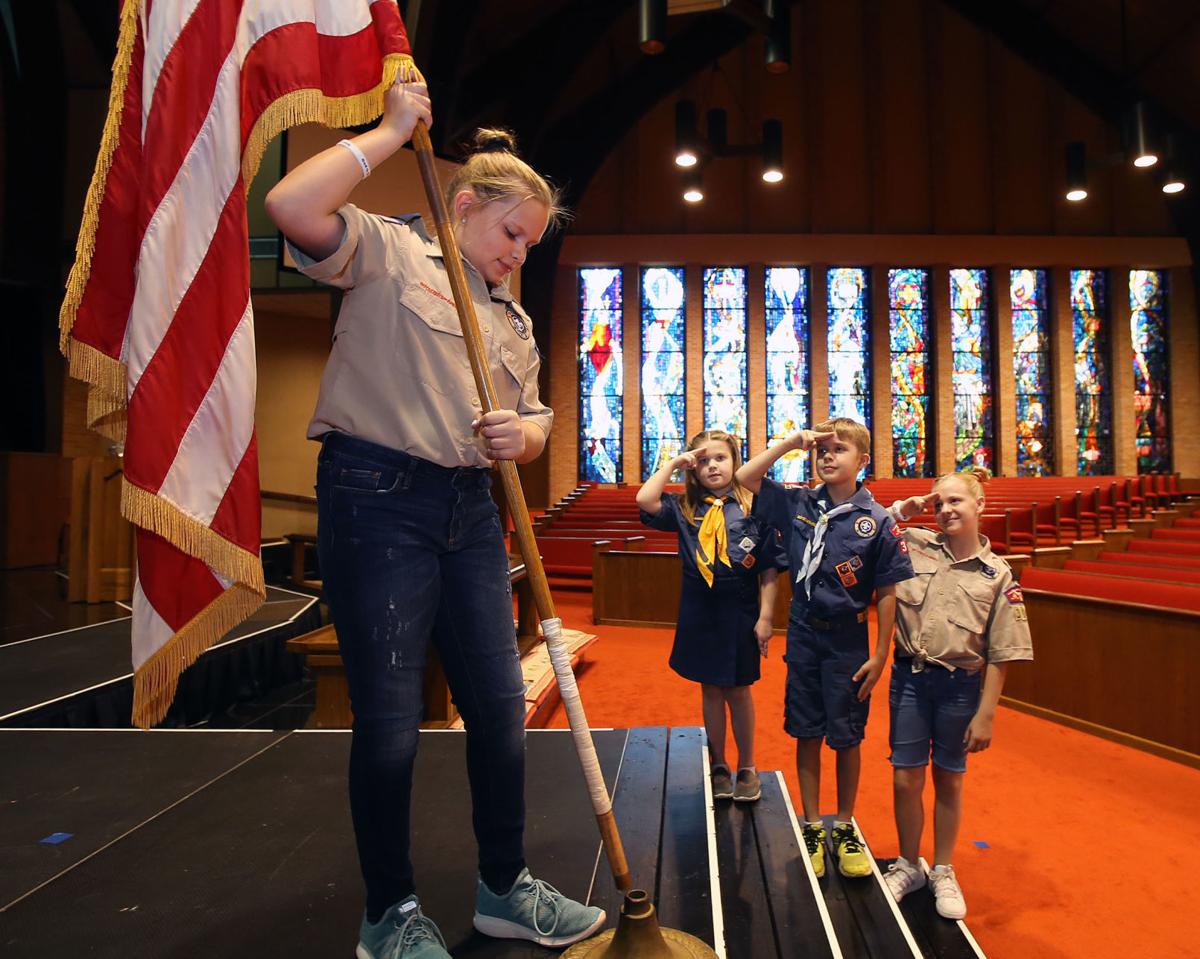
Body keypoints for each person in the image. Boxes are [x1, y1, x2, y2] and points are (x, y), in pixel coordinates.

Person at [264, 80, 603, 959]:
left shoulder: (513, 319)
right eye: (510, 233)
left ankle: (503, 887)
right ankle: (388, 913)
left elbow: (537, 421)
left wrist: (521, 434)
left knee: (497, 704)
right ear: (463, 206)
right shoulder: (385, 251)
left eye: (530, 242)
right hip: (376, 497)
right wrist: (387, 132)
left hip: (466, 508)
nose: (517, 254)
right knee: (386, 717)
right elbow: (289, 203)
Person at [736, 419, 913, 879]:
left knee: (847, 734)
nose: (827, 457)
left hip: (848, 639)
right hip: (803, 631)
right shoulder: (799, 503)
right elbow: (745, 478)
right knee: (806, 728)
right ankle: (813, 823)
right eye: (822, 451)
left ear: (863, 461)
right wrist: (791, 443)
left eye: (839, 450)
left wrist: (881, 655)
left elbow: (888, 591)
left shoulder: (877, 521)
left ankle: (845, 824)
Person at [881, 469, 1033, 920]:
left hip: (959, 686)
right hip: (909, 678)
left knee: (949, 777)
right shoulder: (914, 543)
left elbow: (1002, 653)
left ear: (979, 505)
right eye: (939, 502)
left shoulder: (997, 575)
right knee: (904, 776)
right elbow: (862, 530)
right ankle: (909, 864)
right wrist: (902, 510)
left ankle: (943, 868)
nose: (946, 510)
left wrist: (986, 714)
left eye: (956, 502)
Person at [636, 430, 784, 803]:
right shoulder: (684, 509)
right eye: (703, 461)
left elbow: (768, 569)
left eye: (720, 458)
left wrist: (766, 617)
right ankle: (719, 763)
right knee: (711, 688)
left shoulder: (755, 507)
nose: (712, 466)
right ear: (693, 469)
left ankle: (747, 766)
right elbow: (645, 499)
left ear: (736, 462)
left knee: (738, 688)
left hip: (740, 607)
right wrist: (673, 462)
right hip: (699, 607)